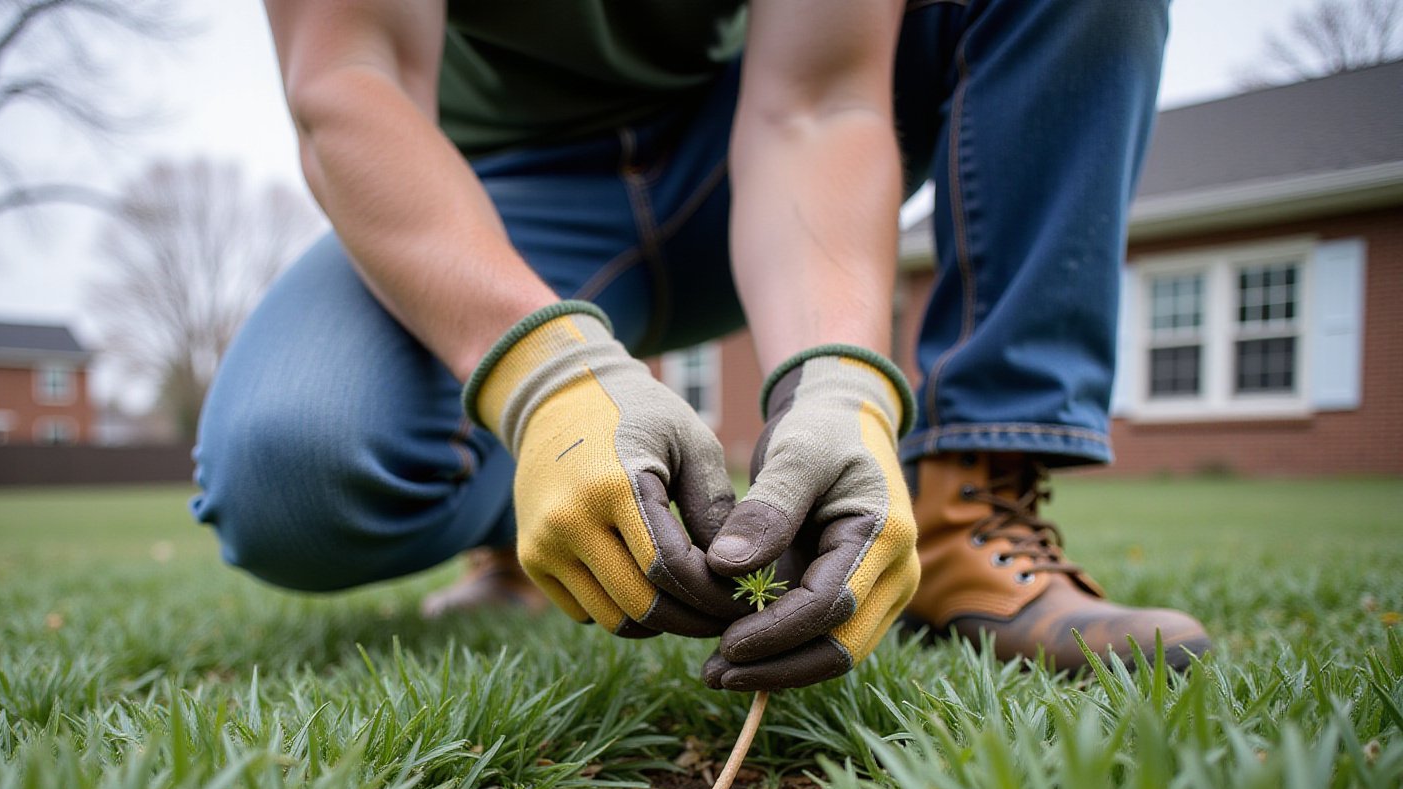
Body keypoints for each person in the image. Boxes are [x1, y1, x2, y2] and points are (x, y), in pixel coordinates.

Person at [193, 0, 1210, 692]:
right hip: (495, 185)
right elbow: (351, 77)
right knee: (292, 466)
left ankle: (962, 515)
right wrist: (550, 383)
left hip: (737, 149)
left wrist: (842, 391)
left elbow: (818, 97)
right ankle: (525, 522)